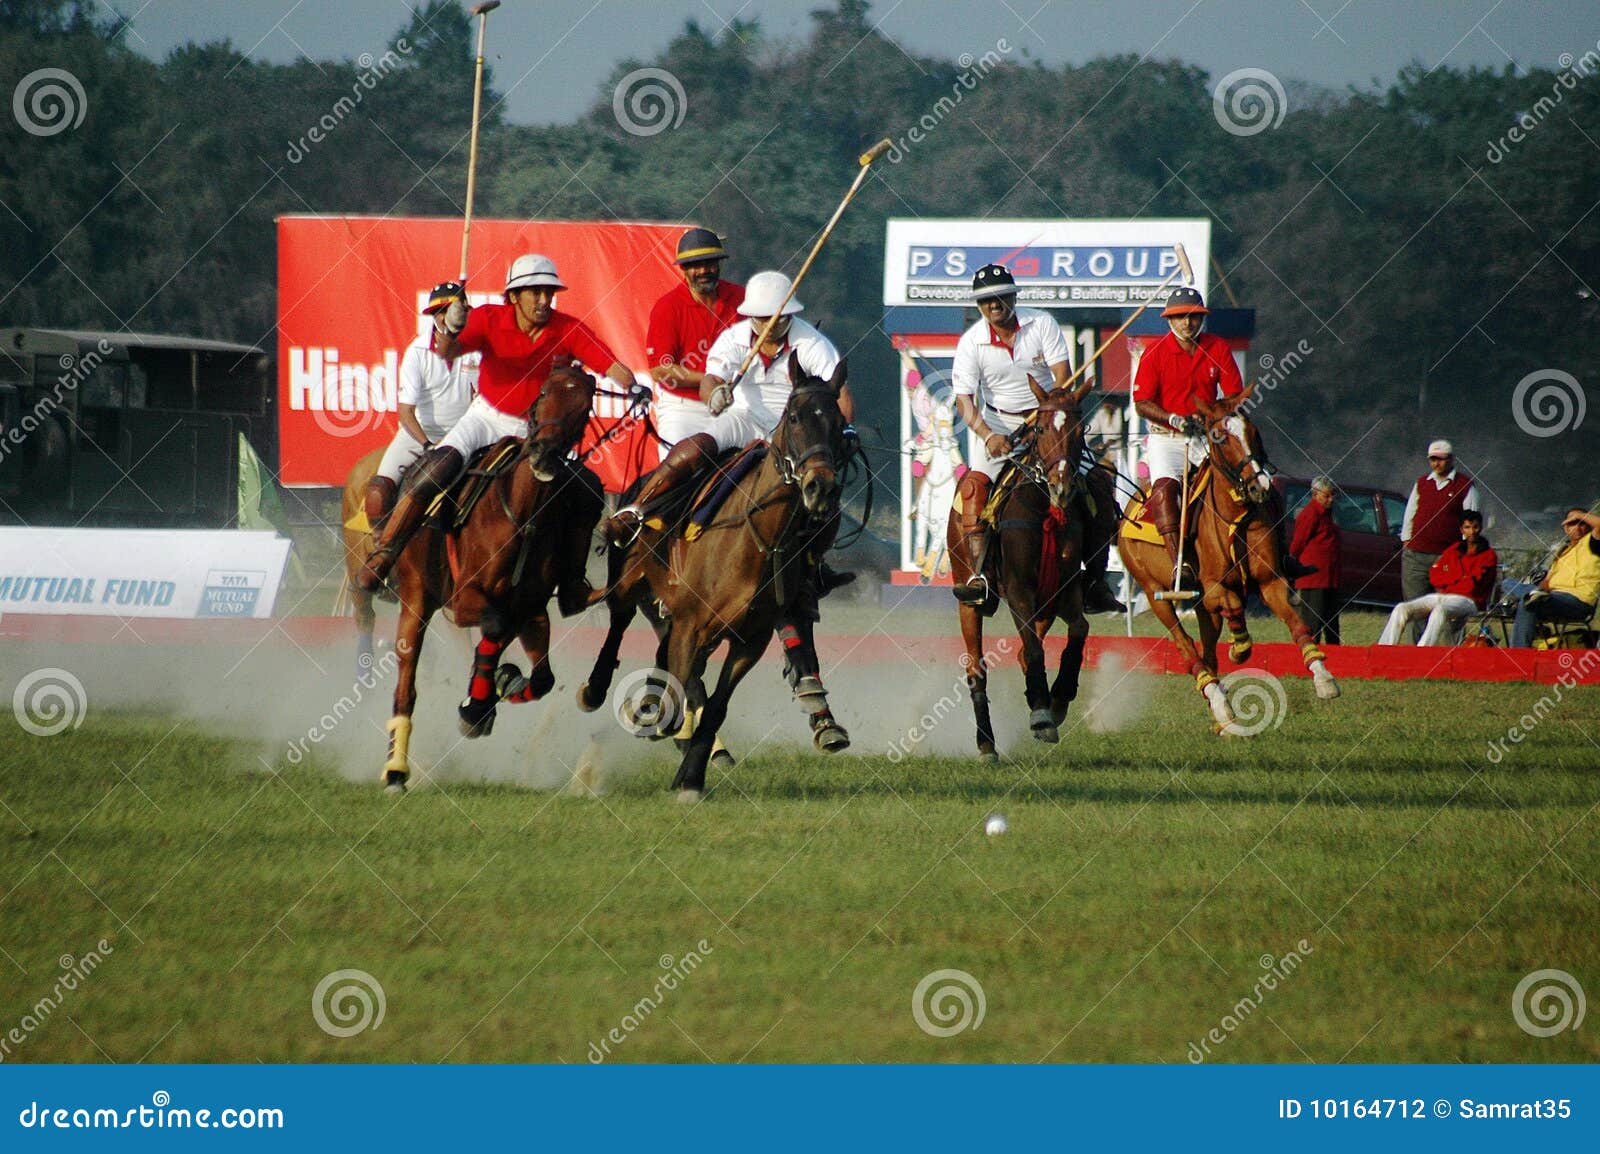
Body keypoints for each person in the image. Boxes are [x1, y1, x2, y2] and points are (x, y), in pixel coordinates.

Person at [357, 254, 644, 614]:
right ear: (514, 296)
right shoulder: (489, 319)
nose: (544, 300)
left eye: (549, 292)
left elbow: (610, 364)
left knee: (587, 490)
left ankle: (572, 584)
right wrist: (451, 327)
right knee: (438, 467)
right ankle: (385, 554)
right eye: (535, 292)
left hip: (537, 434)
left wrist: (633, 386)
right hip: (486, 419)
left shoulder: (568, 328)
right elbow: (447, 351)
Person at [949, 263, 1124, 613]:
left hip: (1048, 423)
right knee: (974, 491)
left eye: (1001, 297)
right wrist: (988, 435)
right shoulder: (971, 342)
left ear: (1014, 297)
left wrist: (1050, 414)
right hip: (999, 427)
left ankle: (1095, 581)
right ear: (979, 305)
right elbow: (964, 400)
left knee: (1098, 485)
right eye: (986, 300)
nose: (994, 304)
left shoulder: (1041, 323)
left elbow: (1062, 376)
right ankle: (981, 577)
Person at [360, 282, 479, 529]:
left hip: (464, 436)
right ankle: (382, 548)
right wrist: (428, 446)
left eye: (457, 310)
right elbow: (406, 412)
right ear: (435, 316)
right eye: (444, 311)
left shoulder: (477, 350)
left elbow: (483, 398)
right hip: (420, 437)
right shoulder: (417, 352)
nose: (451, 317)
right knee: (379, 492)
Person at [645, 227, 745, 446]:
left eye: (709, 263)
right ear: (683, 268)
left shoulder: (742, 298)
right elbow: (660, 370)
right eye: (695, 265)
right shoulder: (668, 307)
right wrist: (710, 379)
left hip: (736, 405)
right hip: (684, 410)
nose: (703, 270)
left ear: (719, 264)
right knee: (677, 464)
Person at [1398, 438, 1481, 641]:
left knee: (1450, 608)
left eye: (1441, 459)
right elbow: (1410, 514)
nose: (1436, 463)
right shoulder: (1421, 483)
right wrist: (1407, 540)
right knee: (1415, 608)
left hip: (1447, 558)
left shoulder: (1465, 486)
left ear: (1451, 459)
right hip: (1416, 556)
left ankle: (1451, 650)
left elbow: (1471, 523)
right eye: (1433, 459)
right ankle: (1419, 651)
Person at [1378, 510, 1497, 646]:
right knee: (1401, 608)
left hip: (1470, 601)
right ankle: (1384, 649)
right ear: (1461, 530)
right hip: (1444, 596)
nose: (1472, 531)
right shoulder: (1454, 549)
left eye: (1475, 527)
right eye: (1467, 527)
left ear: (1480, 528)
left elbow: (1471, 586)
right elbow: (1435, 576)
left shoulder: (1488, 555)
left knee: (1440, 609)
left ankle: (1423, 650)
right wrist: (1459, 577)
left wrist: (1450, 576)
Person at [1509, 508, 1600, 647]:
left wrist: (1580, 515)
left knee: (1530, 601)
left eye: (1582, 523)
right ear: (1566, 528)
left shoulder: (1593, 543)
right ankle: (1531, 595)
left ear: (1588, 526)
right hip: (1551, 597)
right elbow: (1546, 582)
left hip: (1577, 602)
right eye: (1572, 523)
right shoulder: (1562, 551)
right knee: (1509, 584)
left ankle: (1517, 654)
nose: (1577, 527)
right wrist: (1539, 590)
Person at [1289, 476, 1343, 645]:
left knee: (1332, 624)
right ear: (1315, 495)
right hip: (1314, 579)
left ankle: (1336, 655)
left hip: (1329, 578)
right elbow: (1297, 544)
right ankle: (1311, 653)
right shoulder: (1310, 514)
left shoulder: (1327, 514)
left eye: (1333, 495)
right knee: (1313, 623)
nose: (1331, 499)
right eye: (1327, 495)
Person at [1085, 395, 1126, 461]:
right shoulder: (1102, 412)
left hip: (1120, 453)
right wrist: (1082, 439)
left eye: (1108, 400)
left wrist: (1105, 445)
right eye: (1104, 400)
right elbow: (1091, 430)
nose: (1105, 403)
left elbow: (1116, 434)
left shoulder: (1120, 411)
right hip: (1108, 452)